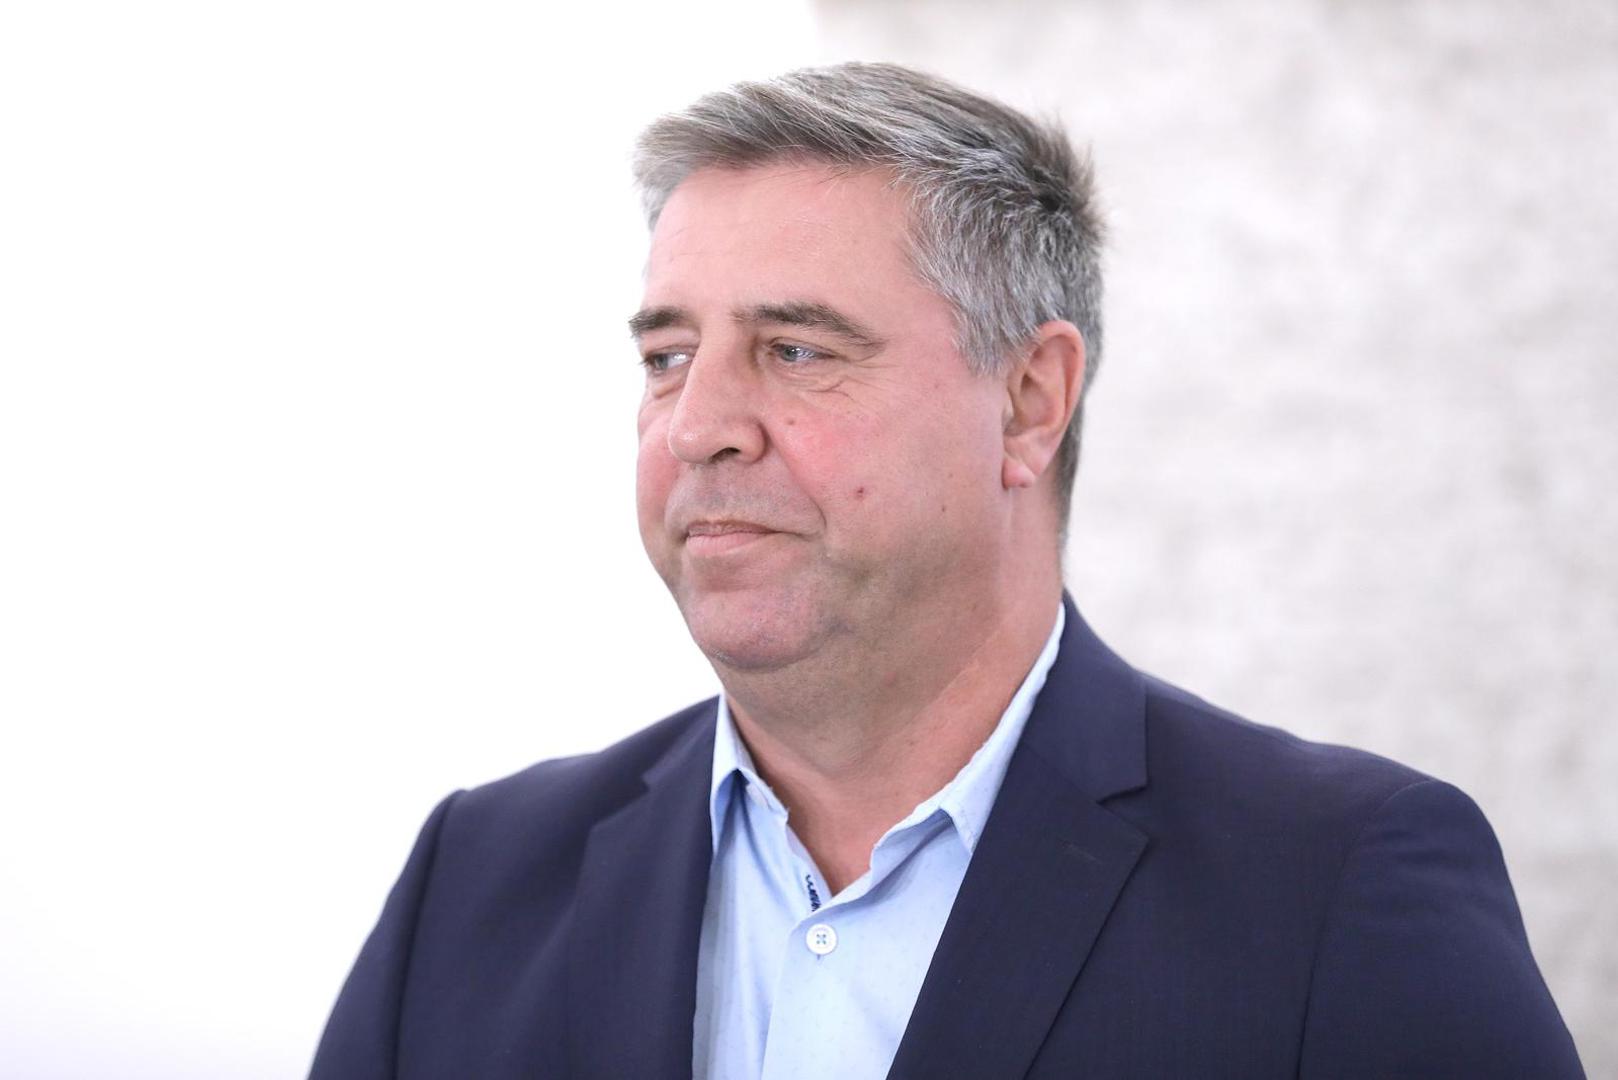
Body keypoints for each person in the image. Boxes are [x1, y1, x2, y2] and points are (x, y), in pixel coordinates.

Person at [310, 63, 1584, 1079]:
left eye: (797, 351)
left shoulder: (1332, 889)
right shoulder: (476, 883)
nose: (698, 426)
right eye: (666, 358)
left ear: (1029, 402)